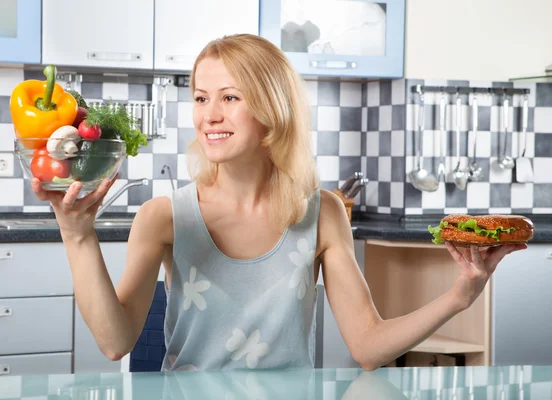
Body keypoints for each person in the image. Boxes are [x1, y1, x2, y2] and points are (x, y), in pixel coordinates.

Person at [31, 34, 526, 372]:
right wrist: (77, 235)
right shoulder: (164, 217)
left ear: (272, 110)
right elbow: (116, 342)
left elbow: (367, 345)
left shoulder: (323, 213)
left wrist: (462, 294)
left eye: (230, 97)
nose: (209, 116)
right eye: (201, 98)